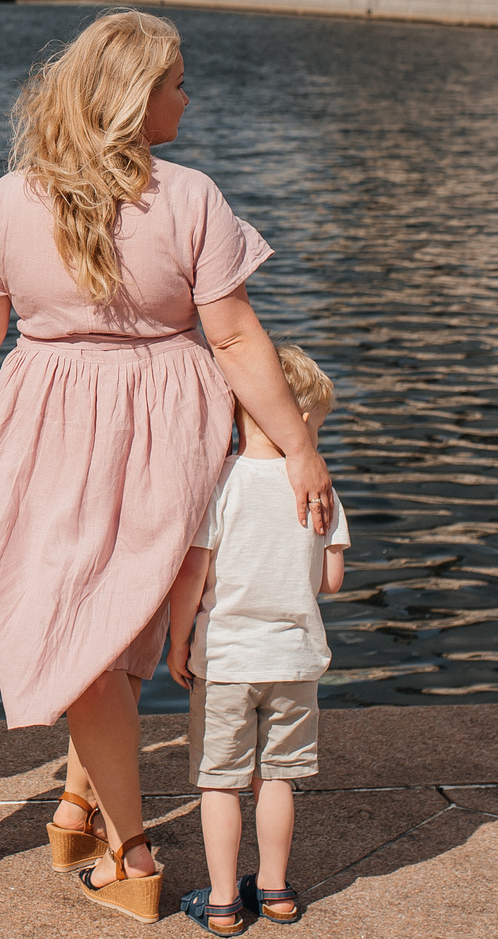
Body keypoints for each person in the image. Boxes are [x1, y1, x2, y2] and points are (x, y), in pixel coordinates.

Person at [0, 8, 332, 923]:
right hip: (169, 414)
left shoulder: (7, 199)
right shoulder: (189, 198)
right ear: (133, 98)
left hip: (49, 420)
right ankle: (87, 806)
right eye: (175, 81)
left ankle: (129, 851)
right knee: (123, 621)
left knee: (82, 626)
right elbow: (230, 335)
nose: (188, 94)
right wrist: (298, 447)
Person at [167, 345, 348, 935]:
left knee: (219, 781)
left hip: (225, 659)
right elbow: (332, 579)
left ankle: (222, 900)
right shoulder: (320, 487)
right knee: (278, 776)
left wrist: (176, 642)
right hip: (294, 661)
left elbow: (192, 578)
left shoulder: (221, 483)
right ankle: (274, 891)